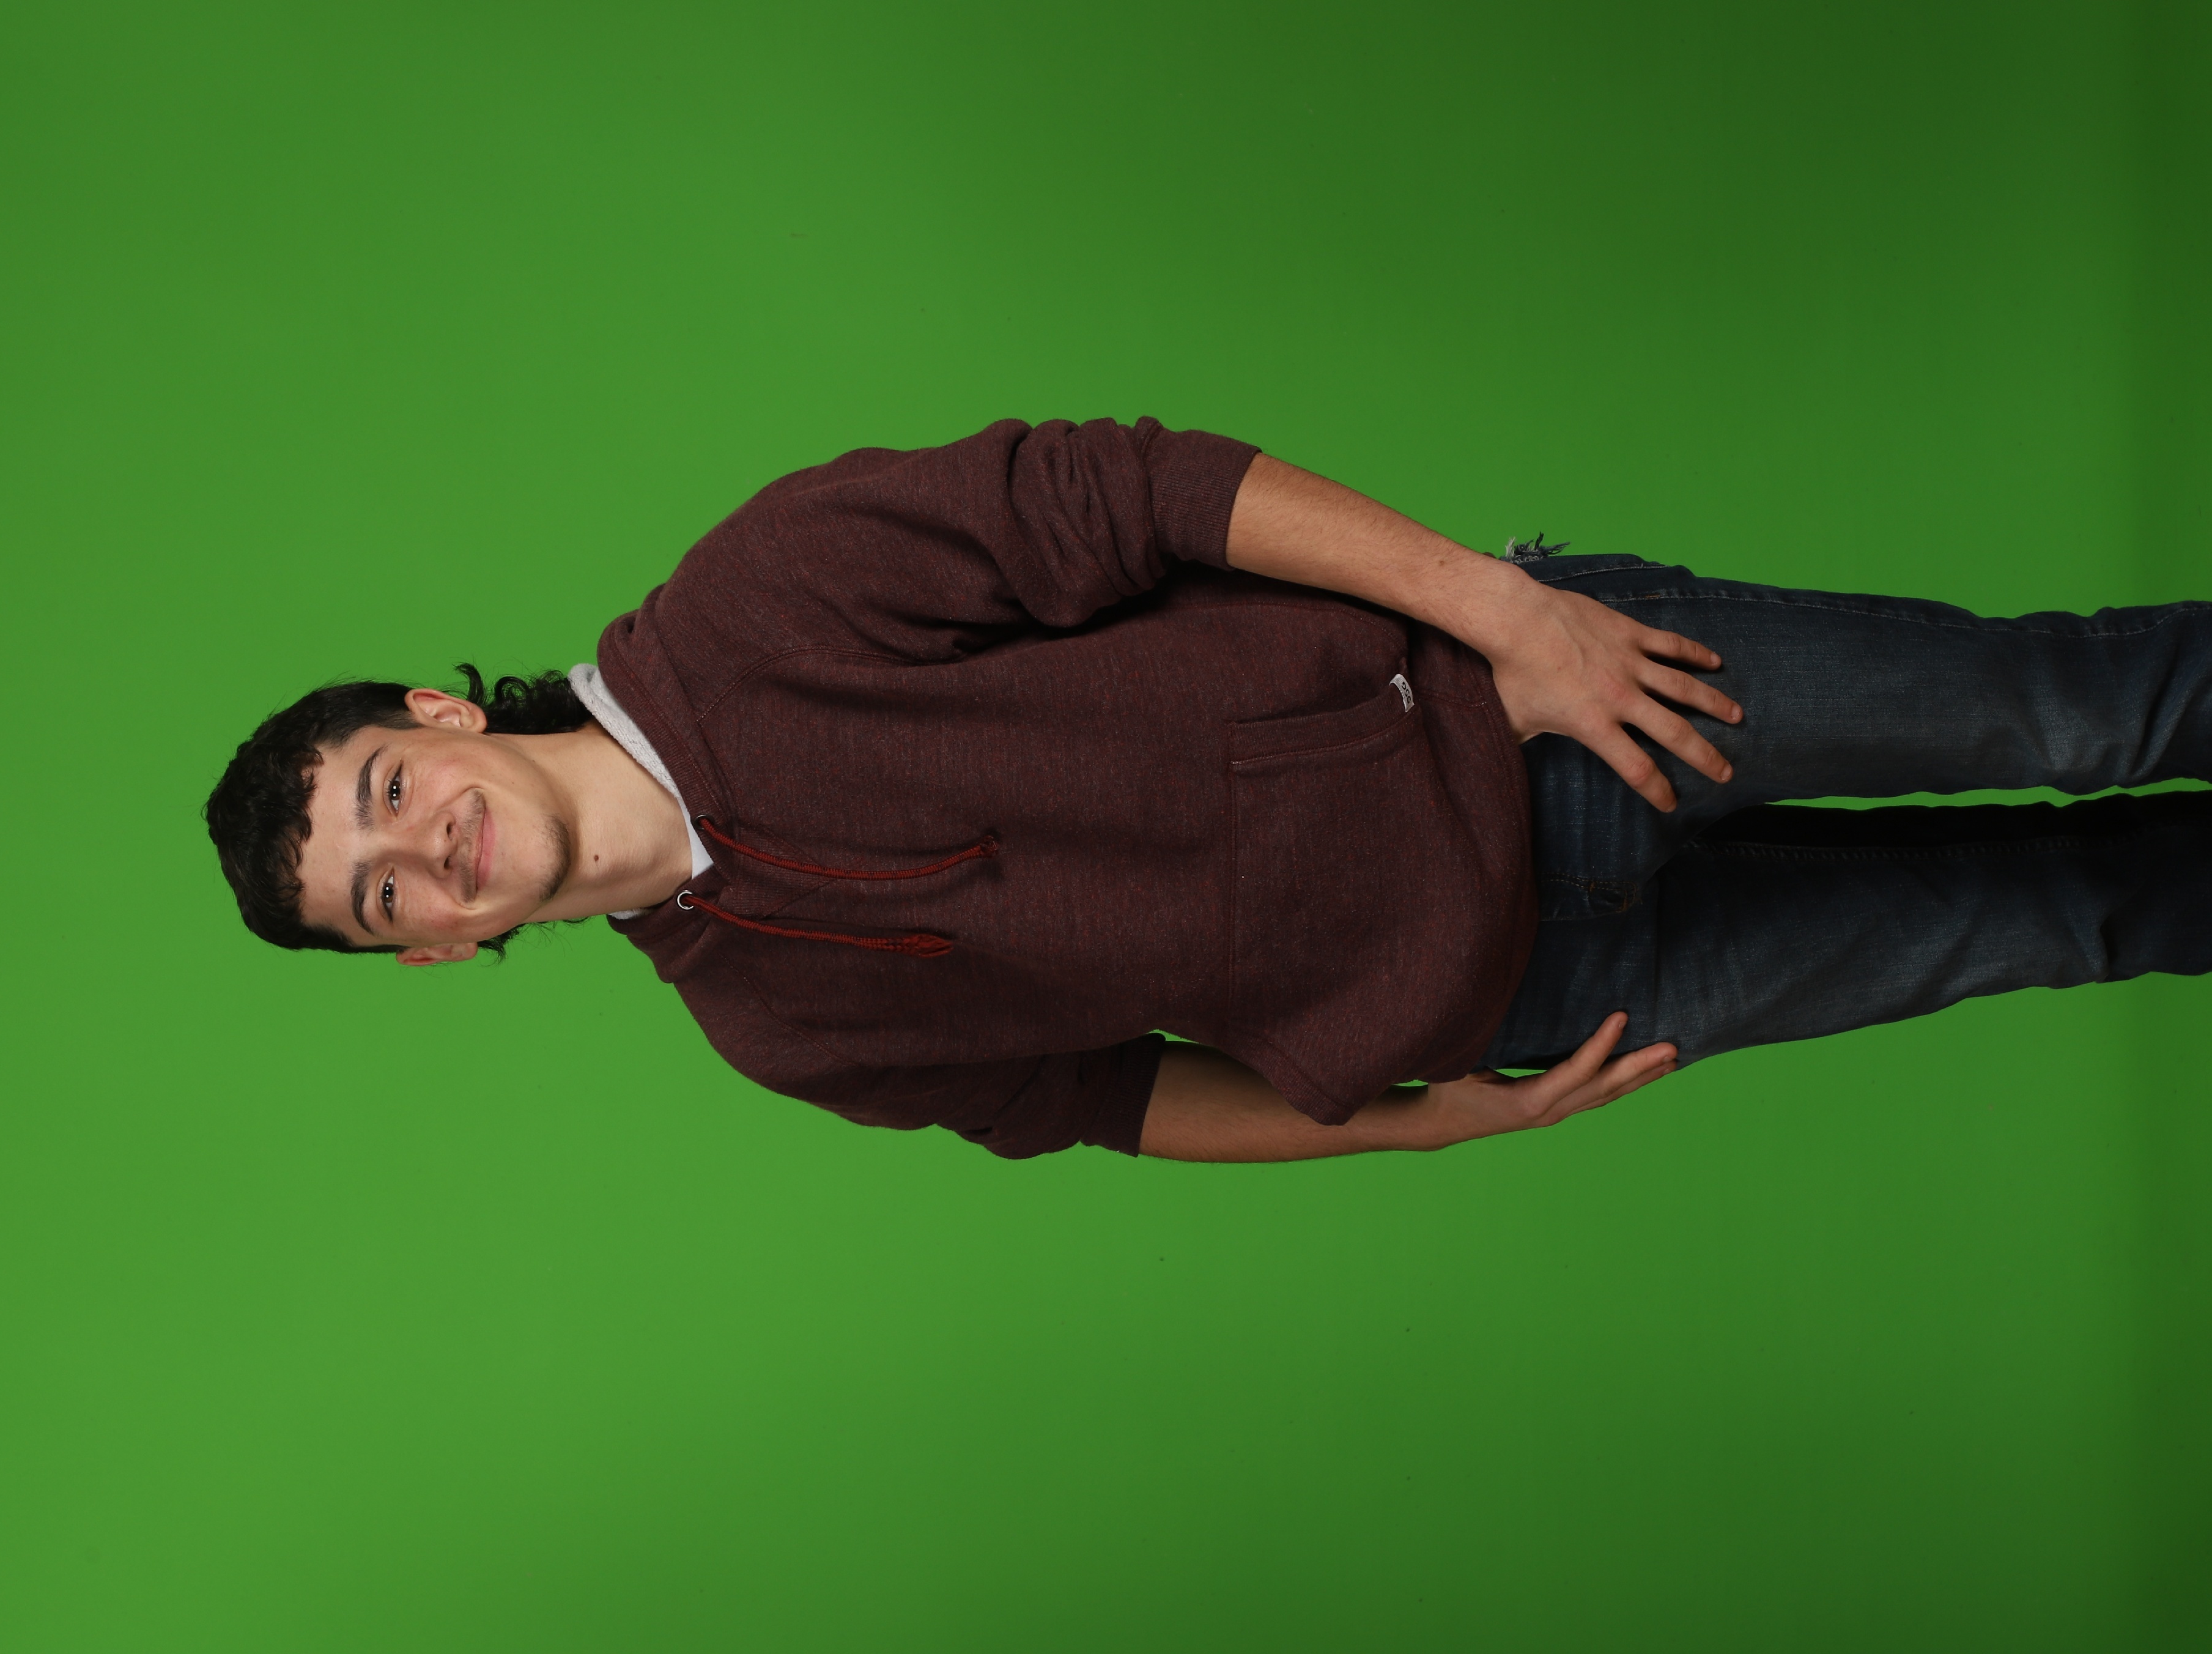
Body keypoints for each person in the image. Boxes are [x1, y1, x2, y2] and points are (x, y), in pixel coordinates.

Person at [203, 419, 2212, 1163]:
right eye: (384, 894)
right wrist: (1419, 1125)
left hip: (1540, 716)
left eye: (387, 789)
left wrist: (1508, 616)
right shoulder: (772, 1028)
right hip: (1536, 994)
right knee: (2067, 920)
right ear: (435, 950)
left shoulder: (754, 601)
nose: (424, 850)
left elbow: (1134, 492)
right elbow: (1105, 1102)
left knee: (2077, 715)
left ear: (435, 719)